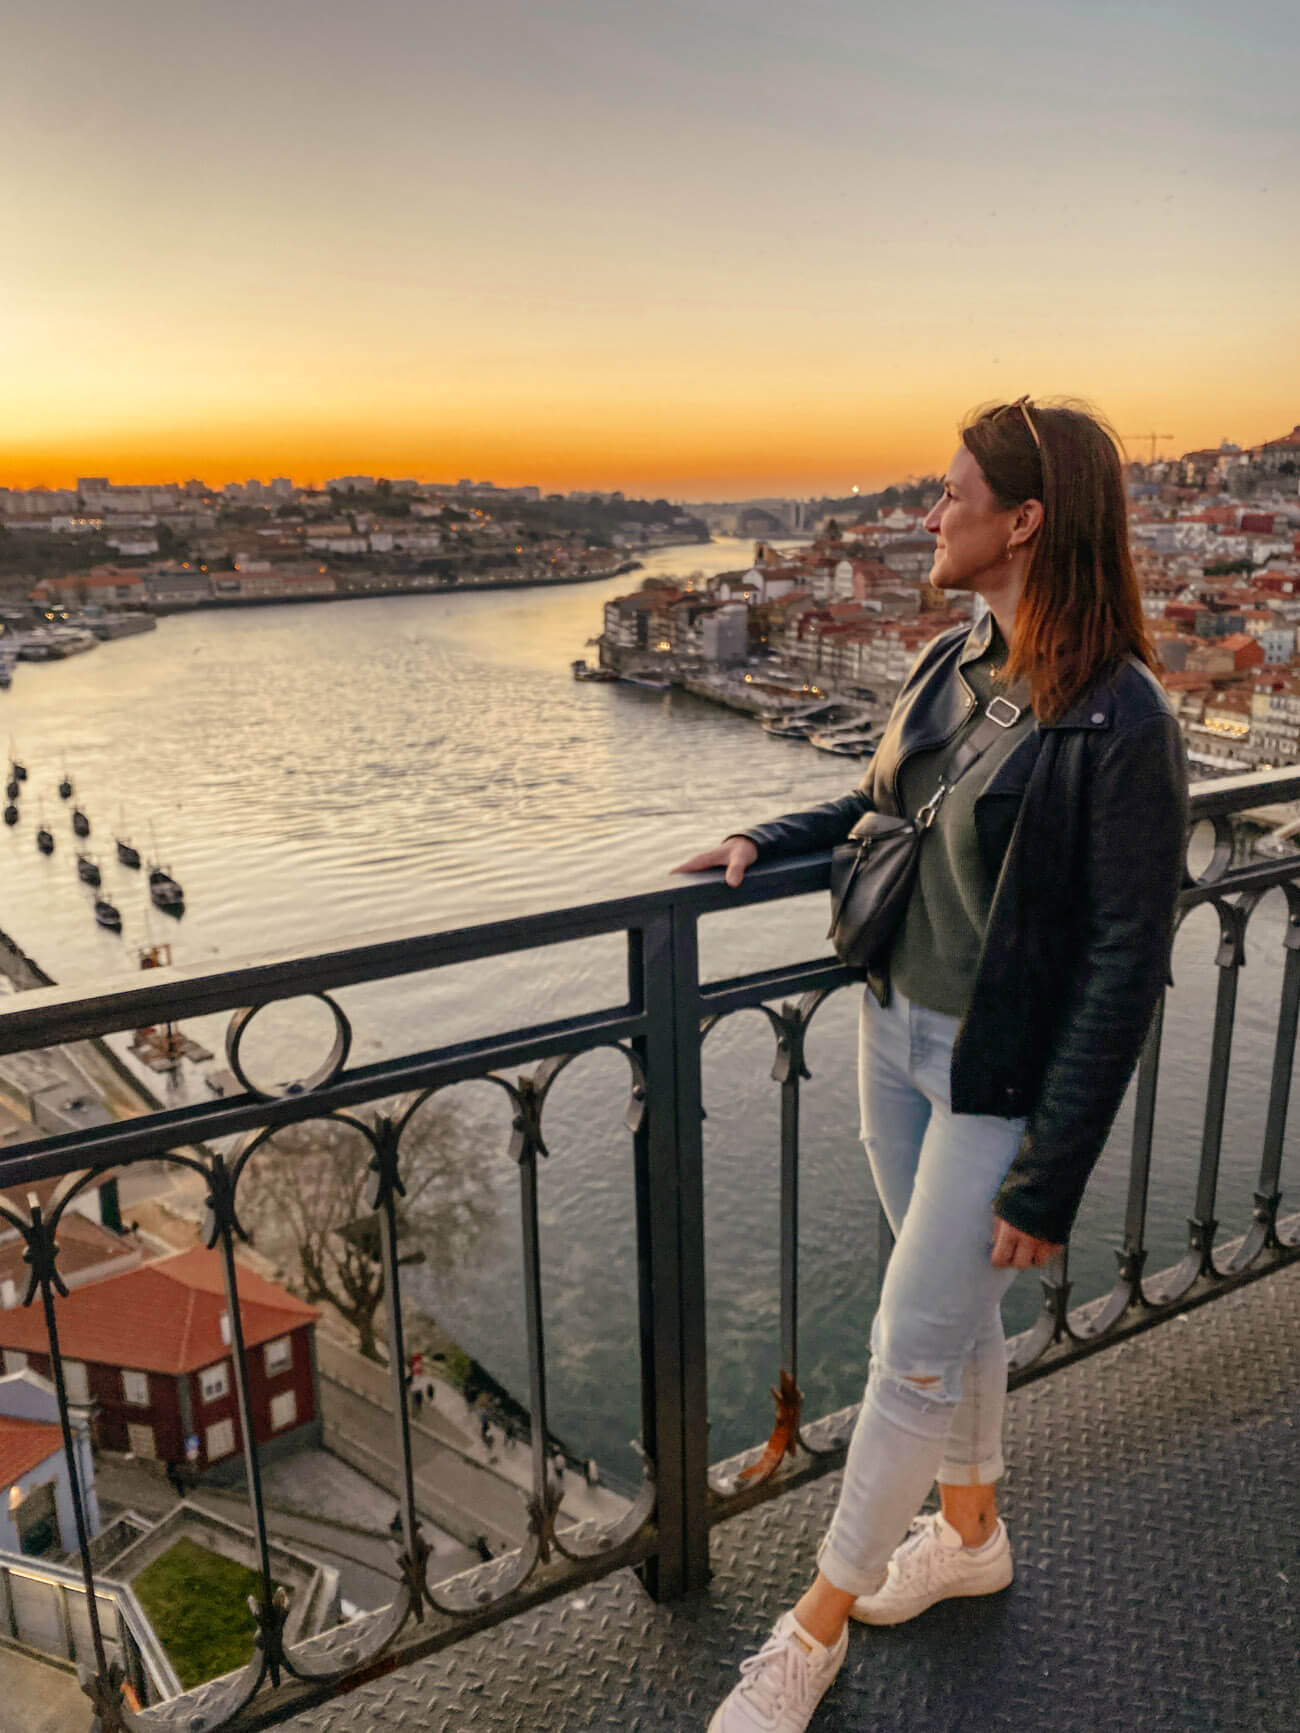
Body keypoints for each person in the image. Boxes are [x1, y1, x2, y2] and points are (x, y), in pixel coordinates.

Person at [672, 399, 1189, 1733]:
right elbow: (877, 805)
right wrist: (758, 836)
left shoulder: (1124, 719)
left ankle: (810, 1632)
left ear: (1027, 521)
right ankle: (967, 1531)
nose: (931, 513)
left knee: (908, 1346)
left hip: (993, 1071)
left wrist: (1047, 1178)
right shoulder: (949, 657)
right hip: (890, 1025)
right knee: (950, 1312)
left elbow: (1129, 962)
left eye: (955, 493)